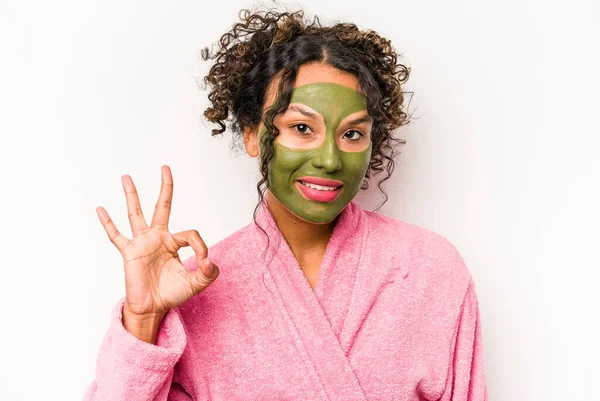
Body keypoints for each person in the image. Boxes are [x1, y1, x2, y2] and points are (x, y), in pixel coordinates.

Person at [84, 8, 489, 401]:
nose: (330, 159)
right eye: (301, 128)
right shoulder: (192, 290)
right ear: (251, 134)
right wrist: (143, 319)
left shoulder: (431, 269)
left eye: (352, 134)